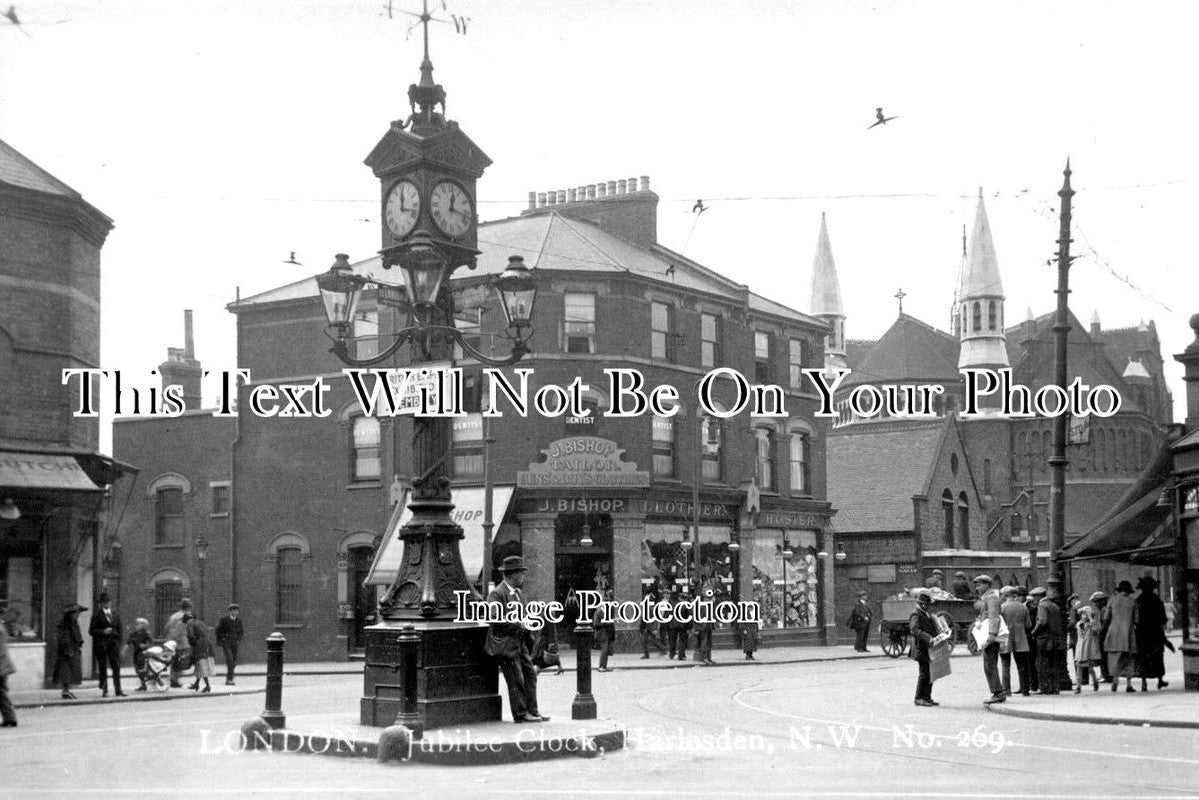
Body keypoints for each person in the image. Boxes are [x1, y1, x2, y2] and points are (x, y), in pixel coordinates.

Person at [483, 556, 547, 723]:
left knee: (530, 675)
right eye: (521, 574)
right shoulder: (497, 594)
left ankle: (533, 710)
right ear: (511, 575)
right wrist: (519, 624)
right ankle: (520, 714)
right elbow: (493, 617)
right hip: (504, 645)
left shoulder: (518, 593)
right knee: (516, 679)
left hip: (520, 643)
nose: (523, 577)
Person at [973, 574, 1005, 704]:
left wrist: (992, 634)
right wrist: (978, 621)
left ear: (987, 585)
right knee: (989, 664)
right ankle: (997, 691)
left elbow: (994, 616)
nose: (977, 588)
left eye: (979, 585)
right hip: (987, 635)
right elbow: (984, 615)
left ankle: (998, 692)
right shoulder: (987, 597)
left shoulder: (991, 597)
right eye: (976, 585)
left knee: (990, 664)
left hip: (990, 636)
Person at [1133, 576, 1169, 691]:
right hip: (1155, 632)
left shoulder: (1138, 601)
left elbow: (1135, 619)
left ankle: (1144, 683)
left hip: (1142, 633)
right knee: (1157, 656)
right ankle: (1159, 680)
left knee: (1143, 656)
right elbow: (1163, 618)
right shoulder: (1157, 600)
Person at [1103, 580, 1140, 692]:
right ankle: (1128, 685)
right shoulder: (1133, 602)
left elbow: (1106, 618)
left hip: (1113, 633)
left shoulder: (1112, 601)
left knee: (1115, 659)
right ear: (1128, 591)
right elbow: (1137, 620)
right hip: (1128, 634)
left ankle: (1115, 680)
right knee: (1129, 660)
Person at [1030, 584, 1067, 695]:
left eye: (1034, 597)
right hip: (1055, 640)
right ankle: (1055, 687)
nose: (1033, 600)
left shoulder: (1042, 605)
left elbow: (1042, 621)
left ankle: (1045, 688)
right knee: (1053, 664)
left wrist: (1033, 632)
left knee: (1042, 664)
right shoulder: (1054, 605)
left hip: (1044, 639)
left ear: (1038, 597)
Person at [88, 590, 125, 698]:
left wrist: (118, 641)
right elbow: (91, 631)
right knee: (103, 668)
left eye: (108, 602)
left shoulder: (116, 615)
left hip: (113, 645)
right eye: (104, 602)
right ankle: (105, 690)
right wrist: (103, 631)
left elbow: (120, 630)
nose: (107, 604)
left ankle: (118, 690)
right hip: (101, 645)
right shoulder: (96, 615)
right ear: (100, 604)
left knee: (116, 667)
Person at [908, 590, 941, 707]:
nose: (929, 607)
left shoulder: (925, 613)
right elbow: (914, 630)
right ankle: (919, 698)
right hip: (921, 648)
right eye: (928, 605)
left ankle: (927, 697)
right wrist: (928, 637)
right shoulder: (915, 614)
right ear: (923, 604)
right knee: (924, 673)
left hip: (928, 648)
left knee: (930, 673)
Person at [999, 586, 1031, 696]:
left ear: (1006, 595)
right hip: (1020, 638)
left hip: (1005, 638)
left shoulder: (1003, 607)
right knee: (1022, 666)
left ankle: (1006, 691)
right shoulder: (1023, 607)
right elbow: (1028, 624)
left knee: (1005, 665)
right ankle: (1025, 690)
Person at [54, 603, 86, 700]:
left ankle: (67, 690)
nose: (78, 614)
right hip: (68, 650)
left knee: (71, 671)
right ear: (72, 614)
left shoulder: (74, 622)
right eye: (77, 613)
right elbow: (64, 637)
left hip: (73, 649)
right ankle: (66, 690)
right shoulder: (65, 624)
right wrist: (69, 650)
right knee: (66, 671)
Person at [1074, 600, 1104, 692]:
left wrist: (1091, 620)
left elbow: (1096, 631)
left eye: (1085, 614)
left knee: (1090, 668)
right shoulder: (1079, 624)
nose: (1083, 616)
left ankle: (1095, 681)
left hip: (1089, 649)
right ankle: (1078, 686)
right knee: (1079, 667)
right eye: (1082, 614)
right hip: (1080, 649)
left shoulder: (1093, 623)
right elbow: (1080, 633)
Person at [164, 598, 194, 688]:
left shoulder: (175, 615)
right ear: (188, 607)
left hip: (172, 641)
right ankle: (174, 680)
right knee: (180, 662)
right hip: (180, 642)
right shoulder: (184, 616)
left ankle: (174, 680)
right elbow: (181, 629)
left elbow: (167, 627)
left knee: (176, 661)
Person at [184, 612, 215, 693]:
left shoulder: (189, 624)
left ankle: (207, 685)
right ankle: (196, 684)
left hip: (199, 645)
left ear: (186, 620)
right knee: (200, 665)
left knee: (201, 664)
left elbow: (191, 636)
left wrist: (192, 645)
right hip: (207, 644)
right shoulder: (199, 622)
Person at [215, 604, 244, 686]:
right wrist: (223, 639)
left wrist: (239, 639)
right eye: (233, 611)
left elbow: (241, 631)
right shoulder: (224, 620)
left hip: (235, 643)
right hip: (226, 643)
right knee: (230, 660)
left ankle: (229, 678)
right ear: (230, 611)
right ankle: (229, 679)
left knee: (234, 662)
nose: (235, 612)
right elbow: (218, 630)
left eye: (236, 611)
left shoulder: (239, 620)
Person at [0, 603, 17, 727]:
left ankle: (10, 718)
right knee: (1, 692)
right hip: (3, 665)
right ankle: (10, 718)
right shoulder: (1, 627)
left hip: (1, 666)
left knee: (1, 693)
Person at [1025, 586, 1043, 693]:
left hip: (1033, 638)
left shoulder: (1034, 610)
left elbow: (1035, 624)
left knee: (1033, 663)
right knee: (1034, 662)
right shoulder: (1035, 610)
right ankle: (1035, 684)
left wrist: (1032, 632)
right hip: (1034, 638)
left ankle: (1034, 685)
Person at [127, 618, 153, 691]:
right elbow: (128, 641)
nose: (136, 625)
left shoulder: (146, 633)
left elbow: (150, 642)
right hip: (136, 652)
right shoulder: (134, 633)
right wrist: (126, 646)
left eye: (138, 624)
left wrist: (145, 645)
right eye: (136, 624)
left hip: (142, 653)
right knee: (137, 669)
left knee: (141, 669)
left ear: (143, 625)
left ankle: (144, 684)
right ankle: (143, 684)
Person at [640, 586, 667, 659]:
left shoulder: (649, 608)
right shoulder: (650, 607)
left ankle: (647, 654)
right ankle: (663, 649)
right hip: (649, 627)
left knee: (645, 641)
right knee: (653, 641)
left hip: (648, 628)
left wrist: (650, 628)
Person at [595, 588, 616, 672]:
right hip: (602, 634)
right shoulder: (599, 612)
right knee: (604, 650)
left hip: (607, 634)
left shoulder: (607, 612)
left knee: (606, 651)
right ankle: (601, 667)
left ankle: (604, 667)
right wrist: (607, 623)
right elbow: (595, 624)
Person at [666, 588, 691, 660]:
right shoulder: (686, 605)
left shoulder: (672, 604)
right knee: (682, 640)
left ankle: (672, 654)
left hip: (673, 625)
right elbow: (689, 616)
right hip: (682, 625)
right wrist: (689, 627)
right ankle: (681, 655)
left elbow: (668, 615)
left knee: (672, 640)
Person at [693, 586, 715, 666]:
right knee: (704, 642)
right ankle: (704, 658)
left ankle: (708, 658)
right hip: (703, 626)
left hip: (708, 626)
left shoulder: (710, 605)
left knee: (709, 642)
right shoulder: (702, 606)